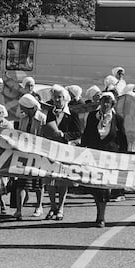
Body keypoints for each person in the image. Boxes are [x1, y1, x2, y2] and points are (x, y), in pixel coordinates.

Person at [81, 92, 127, 227]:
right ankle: (99, 212)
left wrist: (123, 156)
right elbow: (87, 134)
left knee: (105, 187)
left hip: (111, 156)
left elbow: (122, 139)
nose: (105, 104)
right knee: (97, 187)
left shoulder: (118, 119)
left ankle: (101, 216)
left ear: (112, 104)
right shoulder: (92, 116)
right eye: (103, 101)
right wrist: (82, 150)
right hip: (95, 155)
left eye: (108, 102)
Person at [43, 85, 81, 221]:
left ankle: (61, 207)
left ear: (65, 99)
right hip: (51, 150)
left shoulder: (72, 114)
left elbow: (77, 132)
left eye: (60, 97)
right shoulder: (50, 113)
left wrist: (64, 135)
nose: (58, 100)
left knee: (62, 181)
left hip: (65, 150)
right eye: (55, 97)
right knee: (49, 180)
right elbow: (47, 129)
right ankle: (52, 206)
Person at [14, 94, 46, 220]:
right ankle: (19, 210)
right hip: (24, 153)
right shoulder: (23, 118)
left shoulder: (42, 118)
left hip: (37, 153)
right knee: (21, 182)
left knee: (38, 183)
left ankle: (39, 206)